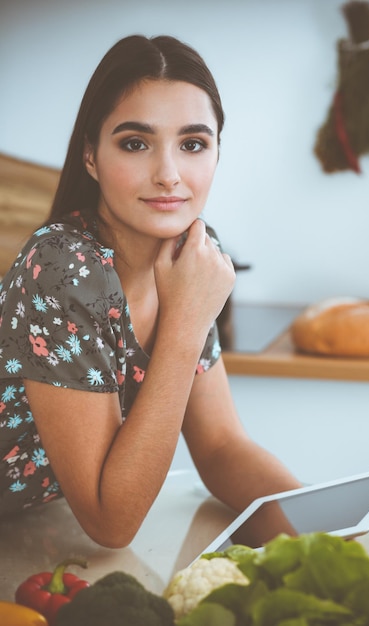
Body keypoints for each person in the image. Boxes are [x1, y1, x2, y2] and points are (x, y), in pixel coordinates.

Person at [0, 34, 301, 548]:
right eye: (136, 143)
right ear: (91, 156)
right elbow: (110, 523)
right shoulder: (63, 268)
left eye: (193, 144)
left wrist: (323, 529)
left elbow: (221, 447)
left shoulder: (193, 256)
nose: (168, 175)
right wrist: (185, 321)